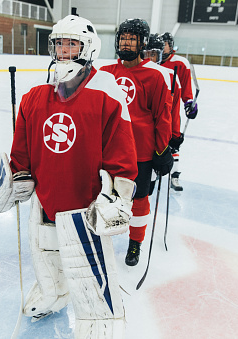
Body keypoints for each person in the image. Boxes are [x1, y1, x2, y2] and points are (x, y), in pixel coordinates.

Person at [0, 14, 138, 339]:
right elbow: (22, 157)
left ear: (88, 48)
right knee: (47, 266)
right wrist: (14, 180)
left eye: (72, 44)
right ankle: (52, 295)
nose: (64, 52)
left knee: (91, 287)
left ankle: (99, 324)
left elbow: (122, 161)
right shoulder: (33, 98)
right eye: (59, 44)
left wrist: (117, 197)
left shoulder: (107, 96)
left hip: (84, 213)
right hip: (43, 208)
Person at [100, 19, 173, 267]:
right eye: (123, 38)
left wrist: (163, 151)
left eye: (132, 39)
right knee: (104, 196)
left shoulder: (155, 77)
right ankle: (102, 237)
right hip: (109, 152)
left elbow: (162, 118)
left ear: (142, 43)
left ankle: (135, 243)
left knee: (139, 200)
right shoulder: (105, 74)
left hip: (140, 154)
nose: (126, 43)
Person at [143, 33, 183, 194]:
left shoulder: (171, 77)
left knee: (147, 188)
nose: (150, 58)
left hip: (156, 141)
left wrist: (174, 136)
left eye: (153, 54)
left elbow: (174, 111)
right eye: (147, 54)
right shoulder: (134, 74)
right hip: (137, 139)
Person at [160, 32, 199, 191]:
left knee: (174, 143)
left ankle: (174, 176)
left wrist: (190, 104)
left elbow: (186, 91)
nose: (162, 48)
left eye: (165, 44)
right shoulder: (151, 60)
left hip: (172, 112)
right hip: (154, 112)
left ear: (170, 44)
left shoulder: (180, 63)